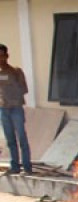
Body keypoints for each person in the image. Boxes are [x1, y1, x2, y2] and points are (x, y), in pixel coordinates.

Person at [0, 44, 32, 176]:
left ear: (7, 56)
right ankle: (15, 167)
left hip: (16, 109)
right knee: (10, 140)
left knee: (22, 138)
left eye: (2, 56)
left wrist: (12, 95)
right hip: (3, 110)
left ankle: (27, 167)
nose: (0, 59)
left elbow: (24, 89)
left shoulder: (16, 72)